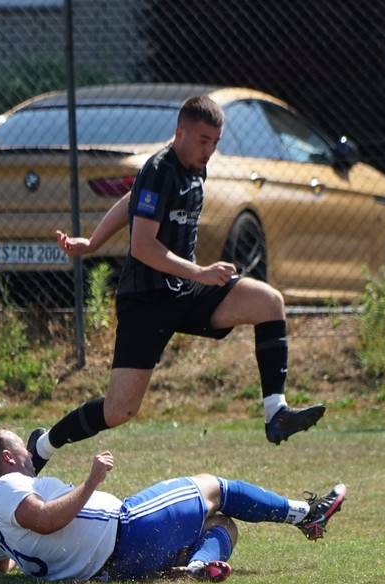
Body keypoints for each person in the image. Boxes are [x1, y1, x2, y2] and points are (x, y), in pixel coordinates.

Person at [28, 94, 324, 472]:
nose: (209, 150)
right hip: (146, 301)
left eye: (215, 142)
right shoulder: (159, 169)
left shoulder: (194, 168)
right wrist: (200, 273)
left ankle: (275, 414)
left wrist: (93, 242)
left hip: (183, 290)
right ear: (180, 132)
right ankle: (44, 445)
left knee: (268, 302)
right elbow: (142, 246)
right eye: (203, 141)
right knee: (120, 410)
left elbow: (132, 198)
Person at [0, 427, 346, 583]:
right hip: (130, 528)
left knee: (223, 525)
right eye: (23, 449)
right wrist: (91, 481)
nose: (30, 454)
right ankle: (308, 515)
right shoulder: (7, 485)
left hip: (118, 568)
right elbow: (42, 520)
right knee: (213, 487)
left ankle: (196, 567)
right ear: (7, 458)